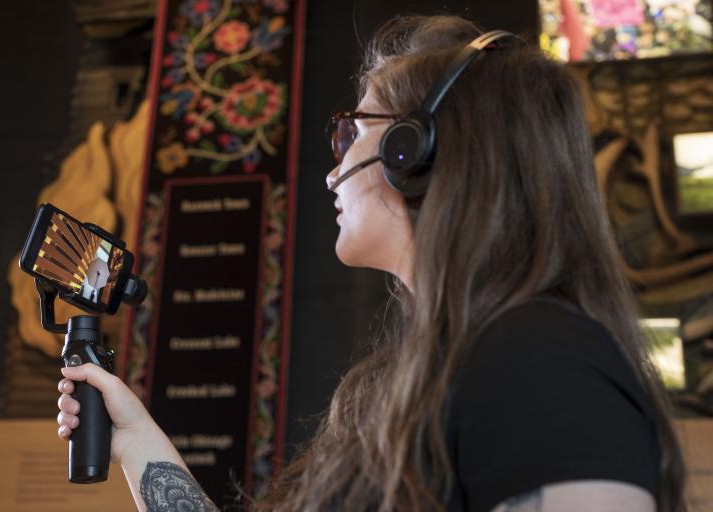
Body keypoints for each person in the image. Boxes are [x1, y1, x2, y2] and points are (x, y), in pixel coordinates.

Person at [56, 15, 687, 512]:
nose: (333, 169)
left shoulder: (544, 364)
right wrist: (132, 438)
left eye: (348, 133)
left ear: (413, 150)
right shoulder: (452, 367)